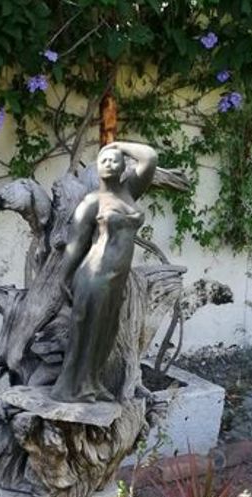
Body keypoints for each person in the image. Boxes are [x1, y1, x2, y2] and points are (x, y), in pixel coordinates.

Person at [50, 141, 158, 402]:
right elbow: (75, 244)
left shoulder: (130, 191)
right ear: (97, 168)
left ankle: (92, 382)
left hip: (117, 279)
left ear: (123, 166)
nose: (109, 163)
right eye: (103, 160)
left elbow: (150, 157)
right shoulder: (92, 202)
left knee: (106, 333)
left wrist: (116, 145)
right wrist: (63, 277)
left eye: (114, 160)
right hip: (94, 275)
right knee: (87, 332)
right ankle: (70, 389)